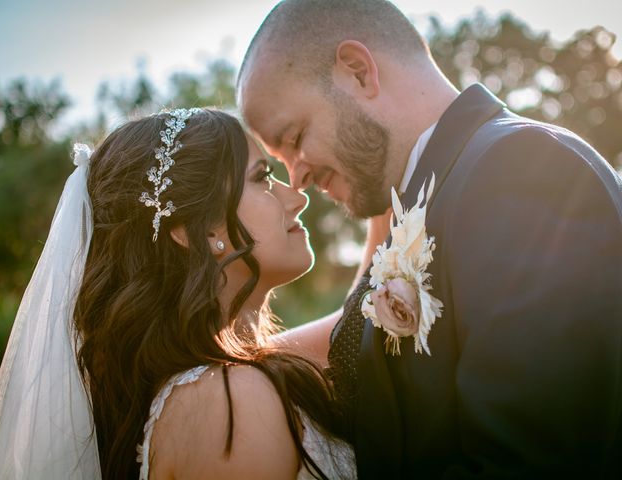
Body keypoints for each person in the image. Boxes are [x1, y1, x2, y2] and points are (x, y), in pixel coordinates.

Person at [237, 0, 622, 478]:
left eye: (294, 138)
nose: (296, 179)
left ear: (358, 72)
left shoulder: (521, 169)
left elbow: (533, 460)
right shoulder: (436, 196)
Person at [0, 108, 356, 479]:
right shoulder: (229, 404)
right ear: (199, 232)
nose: (297, 197)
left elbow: (360, 314)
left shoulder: (217, 388)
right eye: (262, 178)